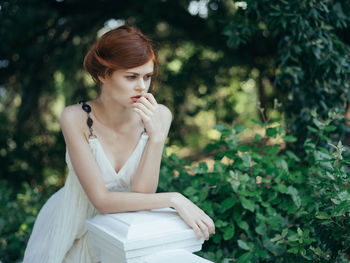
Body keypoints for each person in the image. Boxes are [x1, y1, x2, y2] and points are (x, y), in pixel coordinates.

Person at [23, 25, 215, 263]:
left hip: (125, 223)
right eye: (131, 77)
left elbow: (142, 194)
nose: (142, 87)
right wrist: (173, 198)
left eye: (147, 77)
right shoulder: (75, 118)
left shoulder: (160, 116)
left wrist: (155, 138)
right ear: (104, 75)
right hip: (75, 221)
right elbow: (101, 201)